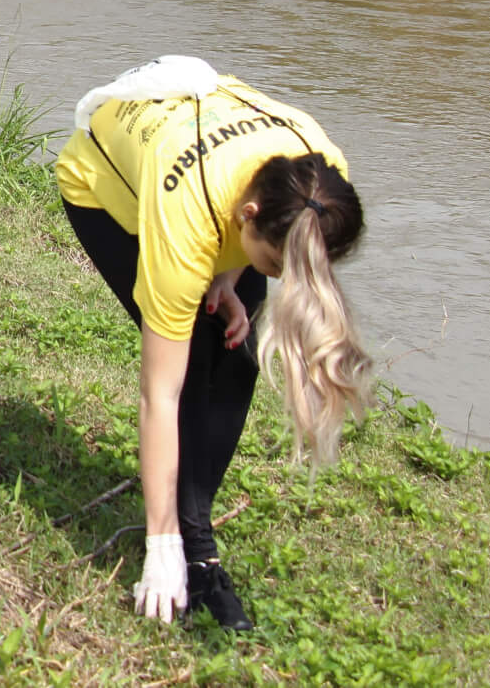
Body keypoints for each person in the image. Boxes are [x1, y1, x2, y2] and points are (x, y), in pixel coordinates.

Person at [54, 59, 373, 631]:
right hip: (108, 191)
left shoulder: (321, 179)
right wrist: (158, 545)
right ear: (246, 218)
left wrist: (228, 274)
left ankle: (198, 547)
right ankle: (188, 550)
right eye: (276, 266)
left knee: (236, 359)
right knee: (195, 357)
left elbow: (269, 247)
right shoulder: (188, 213)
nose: (281, 278)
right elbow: (159, 394)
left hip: (220, 182)